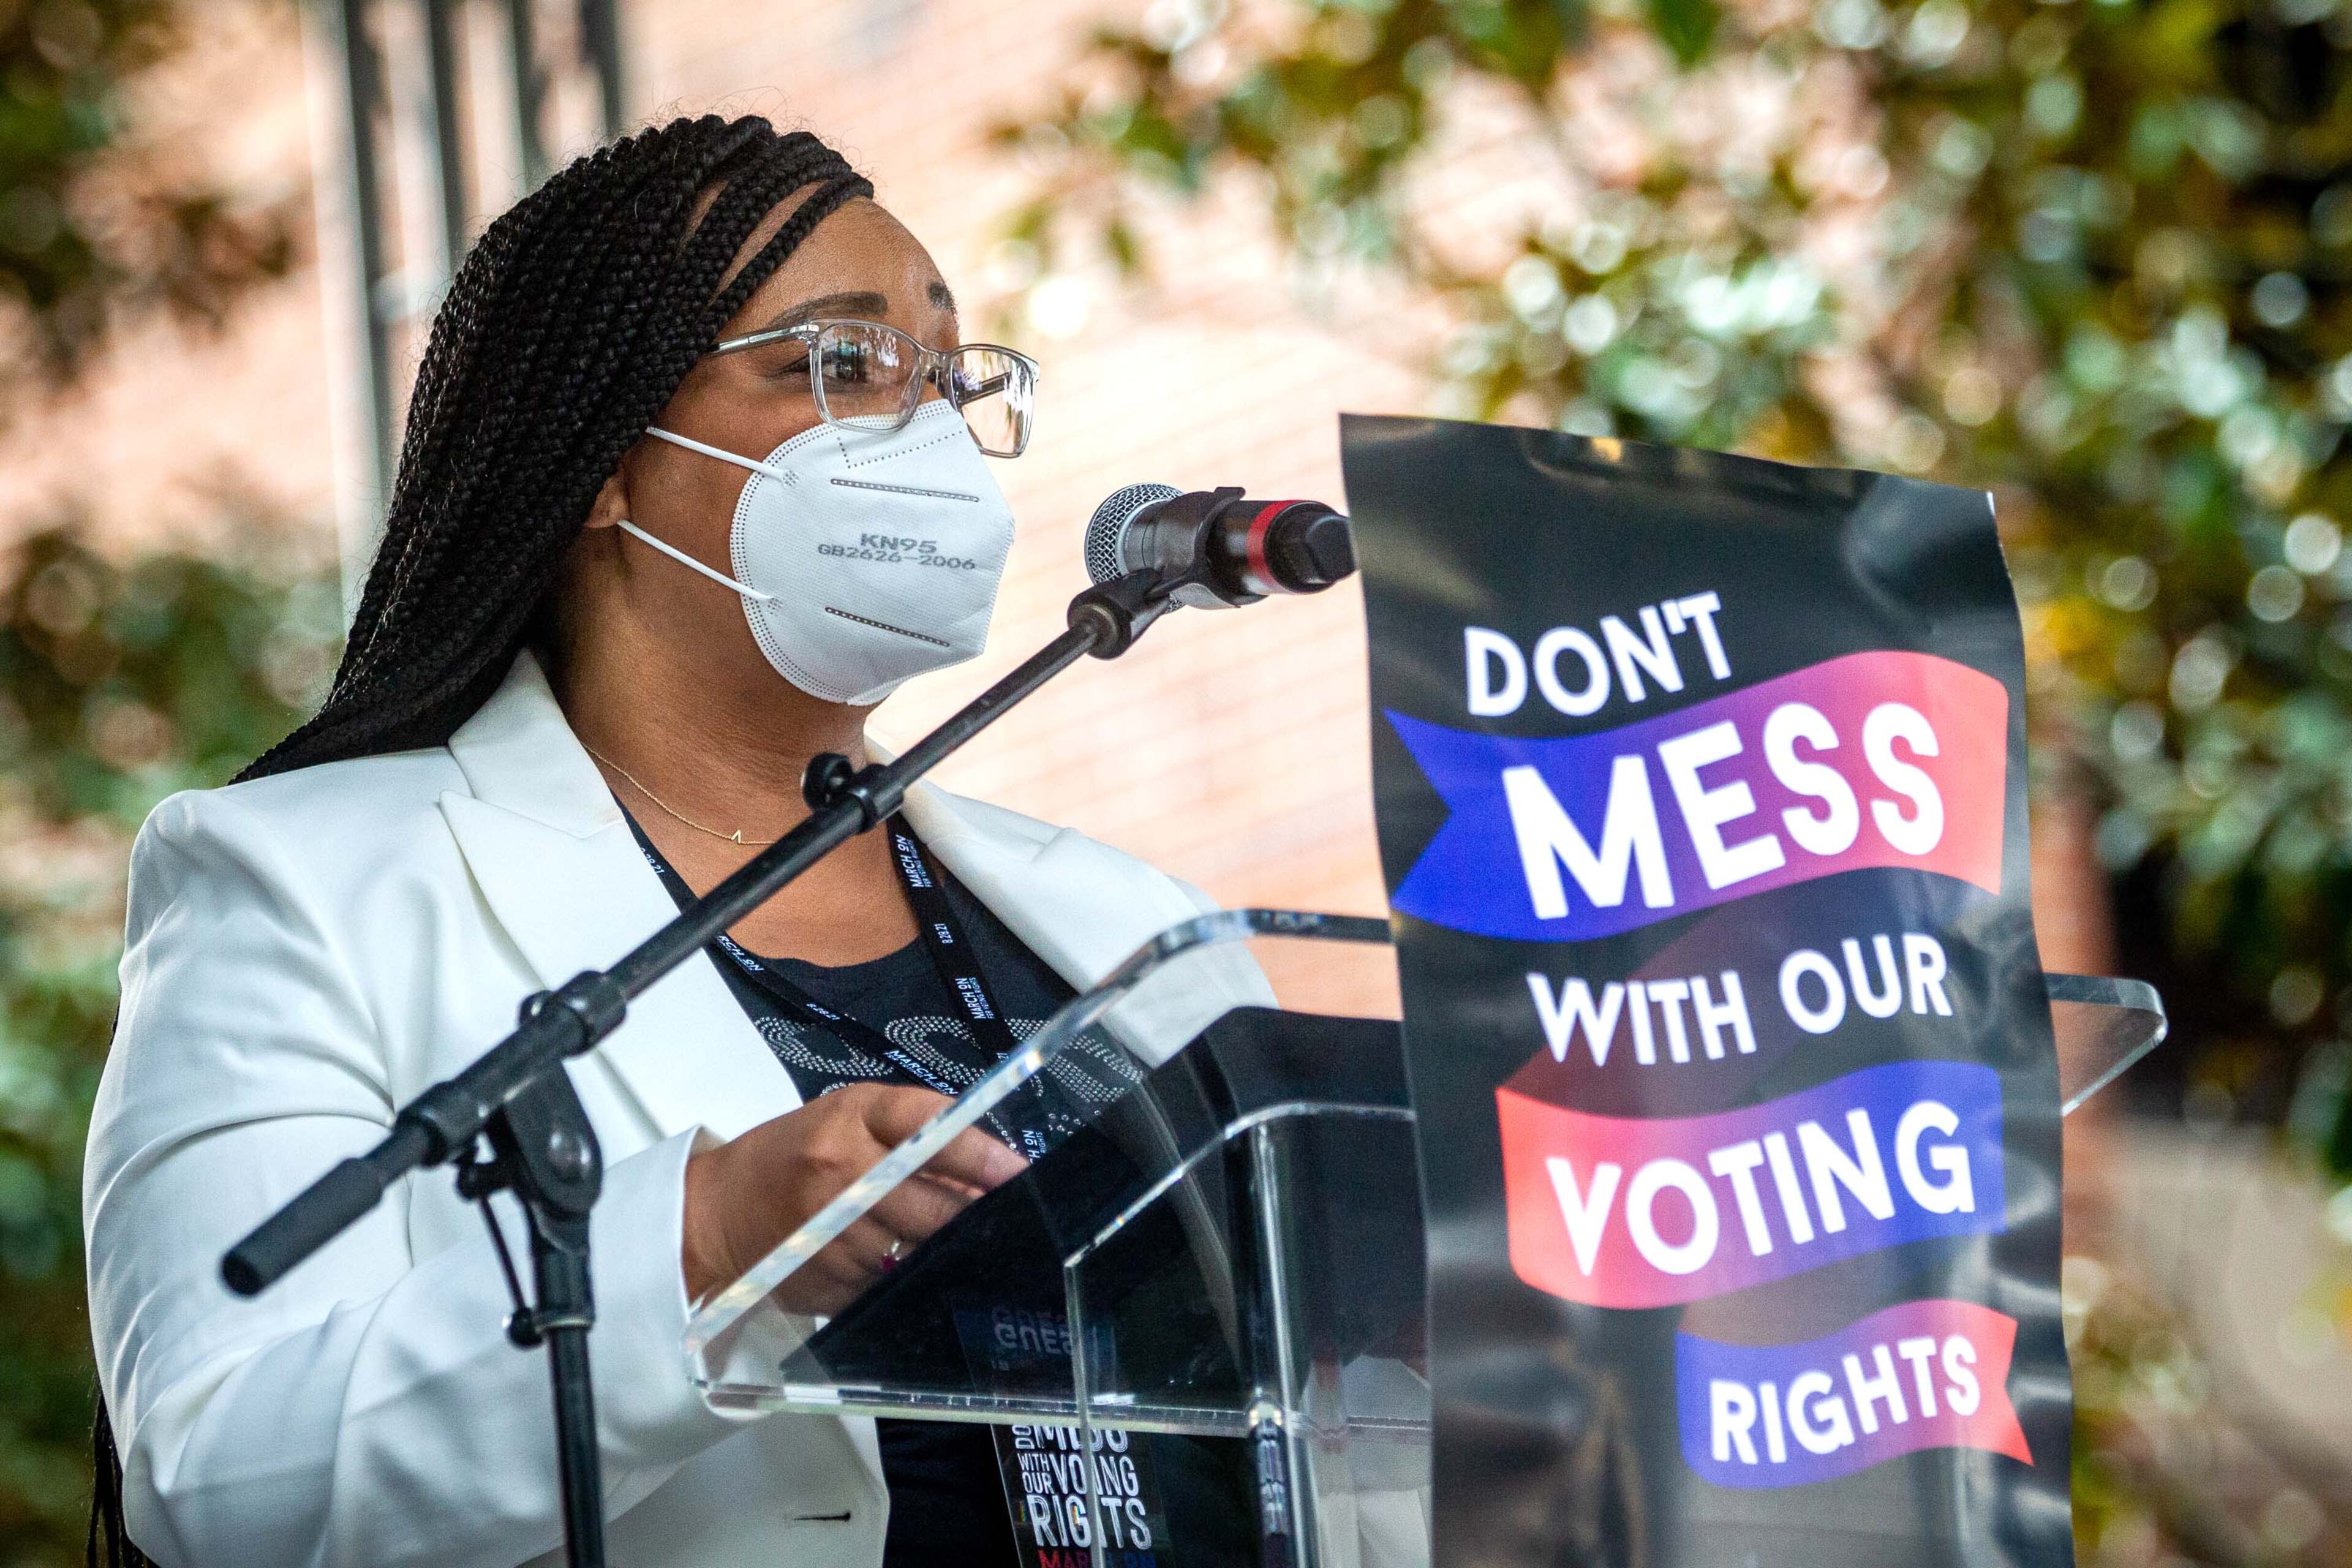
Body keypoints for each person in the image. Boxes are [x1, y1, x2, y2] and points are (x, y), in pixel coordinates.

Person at [83, 115, 1268, 1568]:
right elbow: (222, 1477)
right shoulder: (307, 881)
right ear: (604, 462)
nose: (930, 426)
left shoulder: (1138, 919)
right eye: (840, 364)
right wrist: (700, 1243)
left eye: (950, 376)